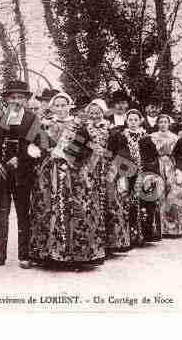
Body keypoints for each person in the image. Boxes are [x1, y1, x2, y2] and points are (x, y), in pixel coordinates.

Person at [28, 92, 105, 269]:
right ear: (52, 107)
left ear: (69, 106)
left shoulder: (79, 125)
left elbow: (87, 147)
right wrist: (38, 150)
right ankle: (50, 255)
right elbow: (34, 145)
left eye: (64, 105)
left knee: (76, 209)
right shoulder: (45, 124)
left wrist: (68, 154)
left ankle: (77, 255)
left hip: (75, 173)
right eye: (57, 105)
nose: (61, 109)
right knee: (48, 208)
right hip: (50, 173)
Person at [0, 80, 38, 270]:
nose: (16, 101)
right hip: (3, 174)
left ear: (26, 100)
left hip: (23, 175)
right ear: (7, 100)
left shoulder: (32, 120)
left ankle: (26, 255)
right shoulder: (1, 119)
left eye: (20, 97)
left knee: (24, 214)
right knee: (1, 213)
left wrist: (21, 160)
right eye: (12, 97)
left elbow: (38, 147)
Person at [107, 109, 157, 247]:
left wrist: (150, 175)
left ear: (140, 121)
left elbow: (152, 157)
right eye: (130, 120)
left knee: (145, 203)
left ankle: (145, 234)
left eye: (136, 120)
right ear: (126, 121)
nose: (133, 123)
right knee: (128, 201)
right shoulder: (121, 136)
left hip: (143, 173)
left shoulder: (146, 137)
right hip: (127, 173)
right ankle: (130, 236)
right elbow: (114, 155)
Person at [147, 114, 182, 237]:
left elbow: (181, 156)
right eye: (160, 122)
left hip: (171, 166)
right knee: (160, 195)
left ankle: (175, 228)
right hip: (157, 165)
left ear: (169, 123)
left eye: (165, 122)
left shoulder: (176, 138)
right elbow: (149, 154)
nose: (163, 124)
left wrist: (179, 170)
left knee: (174, 194)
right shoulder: (152, 137)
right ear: (157, 124)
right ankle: (161, 228)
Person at [84, 99, 113, 254]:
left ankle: (107, 242)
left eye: (97, 113)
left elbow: (113, 146)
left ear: (103, 113)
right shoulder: (84, 127)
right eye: (92, 113)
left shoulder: (109, 126)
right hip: (89, 165)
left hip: (105, 165)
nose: (95, 115)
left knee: (106, 199)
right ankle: (94, 241)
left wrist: (106, 153)